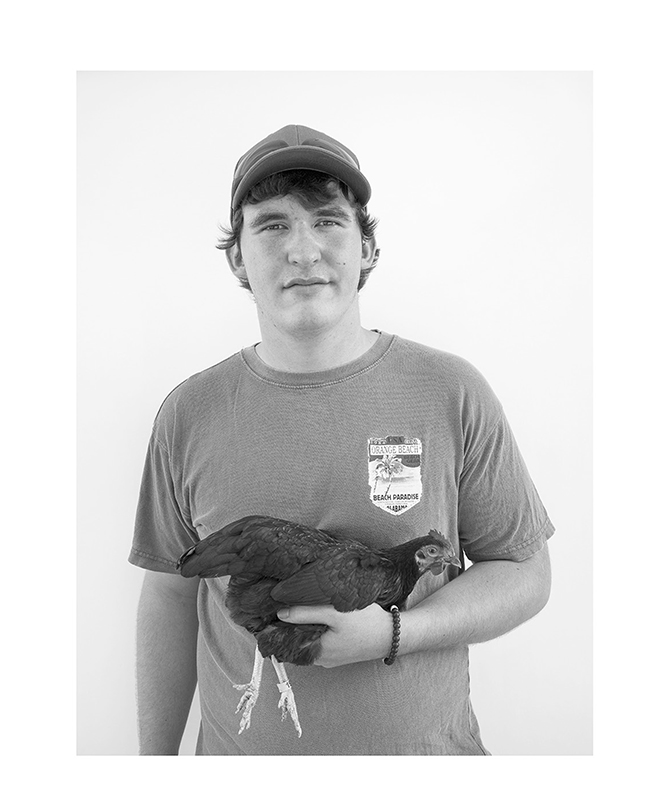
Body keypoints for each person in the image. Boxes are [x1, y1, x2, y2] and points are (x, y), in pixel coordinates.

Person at [129, 124, 555, 755]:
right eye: (272, 225)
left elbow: (525, 571)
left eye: (327, 220)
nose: (303, 251)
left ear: (368, 249)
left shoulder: (450, 390)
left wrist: (394, 634)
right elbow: (169, 594)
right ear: (237, 257)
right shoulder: (189, 413)